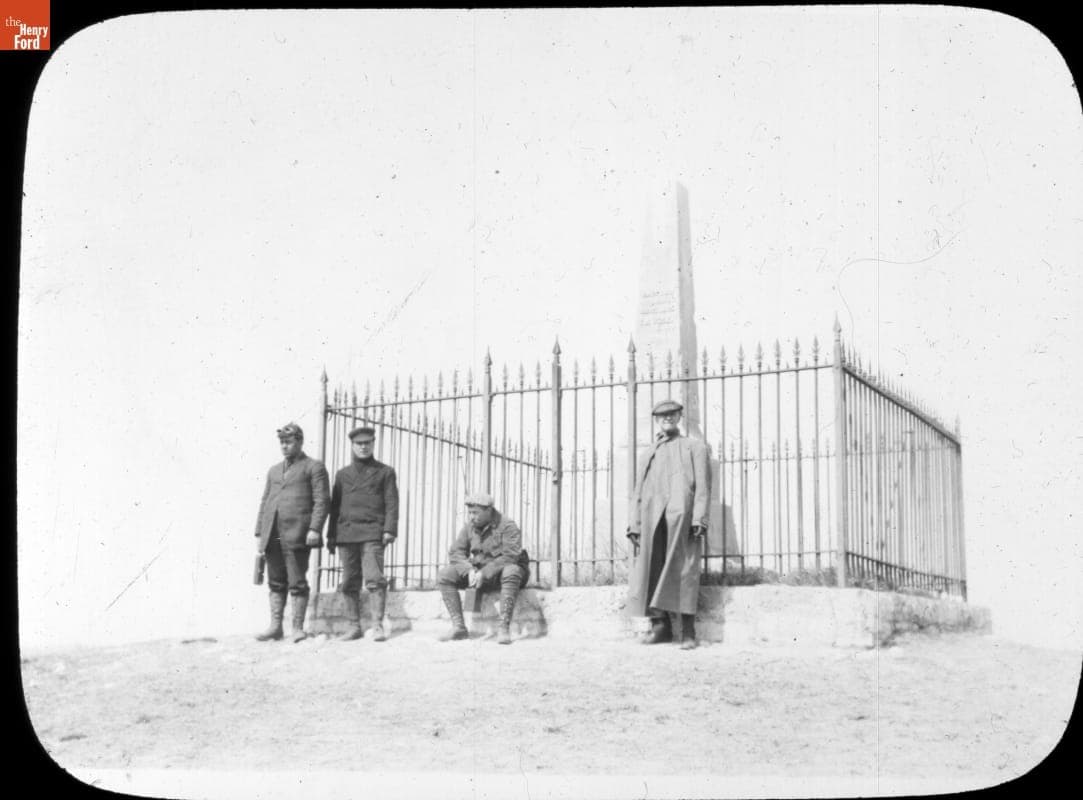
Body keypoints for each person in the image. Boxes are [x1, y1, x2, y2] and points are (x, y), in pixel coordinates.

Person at [626, 400, 711, 650]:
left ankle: (688, 631)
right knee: (653, 570)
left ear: (679, 416)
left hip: (683, 518)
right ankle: (661, 627)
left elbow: (703, 487)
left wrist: (699, 518)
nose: (667, 419)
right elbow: (638, 491)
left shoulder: (695, 448)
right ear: (656, 420)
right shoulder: (649, 452)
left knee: (684, 571)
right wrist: (635, 523)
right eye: (662, 416)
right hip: (654, 520)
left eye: (672, 414)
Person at [253, 423, 330, 643]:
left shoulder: (313, 467)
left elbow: (322, 500)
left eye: (289, 442)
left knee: (297, 580)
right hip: (273, 534)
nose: (285, 446)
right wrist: (260, 531)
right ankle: (275, 627)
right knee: (275, 581)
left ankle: (297, 628)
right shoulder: (274, 470)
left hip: (298, 533)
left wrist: (315, 528)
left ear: (300, 442)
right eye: (282, 443)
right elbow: (265, 500)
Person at [326, 425, 399, 642]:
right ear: (352, 446)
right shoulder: (342, 475)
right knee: (349, 581)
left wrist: (389, 529)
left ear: (373, 444)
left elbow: (391, 502)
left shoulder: (385, 472)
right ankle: (353, 627)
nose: (364, 447)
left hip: (372, 533)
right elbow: (335, 507)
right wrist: (331, 537)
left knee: (375, 579)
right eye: (359, 444)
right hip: (346, 534)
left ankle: (377, 626)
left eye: (368, 443)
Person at [437, 492, 530, 645]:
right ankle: (459, 628)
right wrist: (469, 571)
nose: (472, 517)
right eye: (470, 513)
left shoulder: (507, 526)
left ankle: (503, 628)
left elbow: (510, 556)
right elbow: (455, 552)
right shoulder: (470, 527)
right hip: (480, 574)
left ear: (489, 510)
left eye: (476, 512)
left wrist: (485, 573)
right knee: (445, 575)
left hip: (504, 574)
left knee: (511, 570)